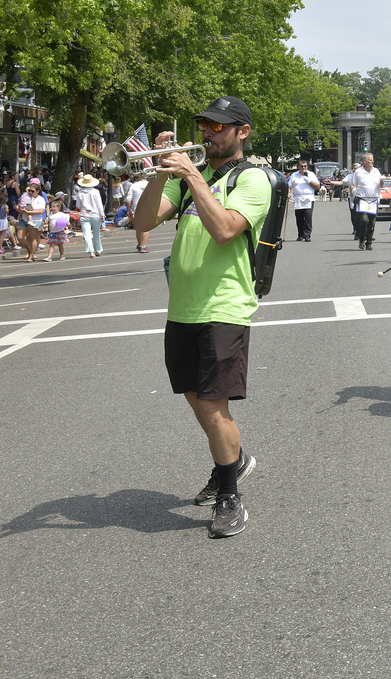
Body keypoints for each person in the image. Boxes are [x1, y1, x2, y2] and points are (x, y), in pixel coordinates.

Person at [131, 95, 270, 539]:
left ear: (241, 132)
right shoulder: (193, 177)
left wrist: (192, 175)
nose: (208, 134)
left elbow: (226, 228)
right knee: (196, 398)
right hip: (183, 306)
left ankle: (230, 496)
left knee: (213, 405)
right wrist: (159, 171)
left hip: (224, 306)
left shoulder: (253, 179)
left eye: (218, 127)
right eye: (204, 126)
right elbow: (144, 222)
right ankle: (235, 460)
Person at [345, 154, 383, 250]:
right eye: (370, 160)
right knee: (364, 220)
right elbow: (353, 184)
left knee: (372, 222)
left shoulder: (376, 171)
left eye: (373, 160)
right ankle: (362, 238)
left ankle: (369, 242)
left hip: (373, 199)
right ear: (364, 161)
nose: (372, 161)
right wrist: (353, 196)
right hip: (362, 199)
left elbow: (380, 185)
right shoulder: (358, 172)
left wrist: (382, 182)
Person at [288, 160, 322, 242]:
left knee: (308, 216)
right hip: (298, 198)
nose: (304, 168)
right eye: (302, 166)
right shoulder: (294, 175)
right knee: (299, 217)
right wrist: (288, 194)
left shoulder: (311, 174)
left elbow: (317, 186)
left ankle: (307, 235)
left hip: (309, 198)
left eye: (305, 166)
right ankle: (300, 234)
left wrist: (309, 181)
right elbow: (289, 186)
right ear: (298, 167)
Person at [73, 173, 105, 257]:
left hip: (84, 214)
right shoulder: (95, 192)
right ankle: (98, 249)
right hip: (95, 214)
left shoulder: (79, 192)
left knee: (87, 234)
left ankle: (90, 251)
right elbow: (99, 204)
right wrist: (102, 214)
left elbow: (78, 205)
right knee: (96, 233)